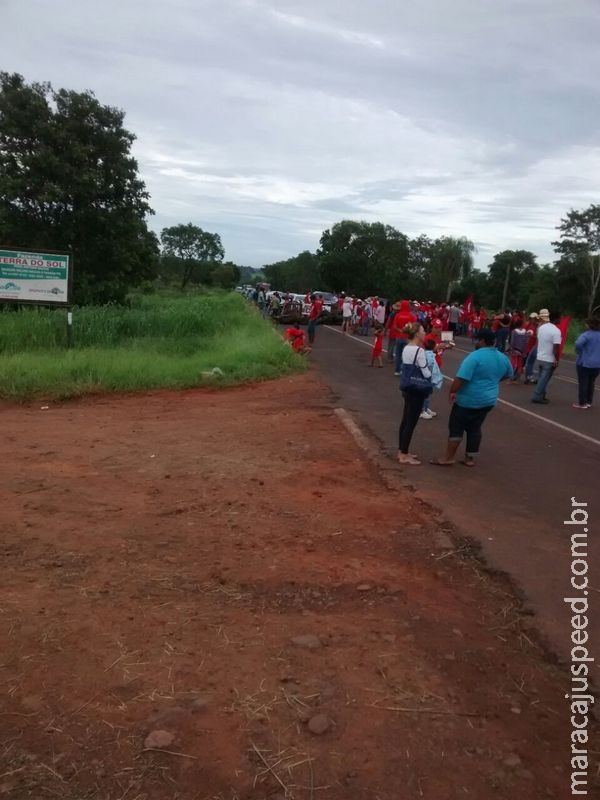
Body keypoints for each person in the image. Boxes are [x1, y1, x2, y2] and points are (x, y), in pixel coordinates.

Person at [430, 328, 513, 467]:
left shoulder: (475, 357)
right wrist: (493, 381)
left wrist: (452, 391)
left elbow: (461, 378)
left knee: (456, 427)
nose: (476, 342)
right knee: (475, 427)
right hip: (488, 400)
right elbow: (508, 373)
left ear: (482, 341)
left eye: (477, 339)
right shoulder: (502, 357)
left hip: (468, 399)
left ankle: (448, 457)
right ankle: (470, 458)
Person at [397, 323, 432, 466]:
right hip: (417, 389)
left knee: (405, 420)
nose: (424, 333)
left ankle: (402, 450)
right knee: (411, 422)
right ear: (417, 333)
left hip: (407, 386)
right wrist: (432, 374)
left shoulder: (407, 348)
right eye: (423, 330)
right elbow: (425, 372)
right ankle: (403, 454)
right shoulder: (419, 351)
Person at [532, 309, 561, 404]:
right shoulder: (556, 331)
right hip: (548, 358)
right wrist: (556, 359)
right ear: (556, 319)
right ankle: (537, 396)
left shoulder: (542, 328)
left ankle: (541, 396)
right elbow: (556, 347)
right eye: (559, 318)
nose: (560, 320)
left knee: (542, 378)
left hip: (540, 356)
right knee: (544, 379)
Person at [573, 317, 600, 409]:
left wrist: (580, 352)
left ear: (589, 325)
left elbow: (578, 344)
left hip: (585, 362)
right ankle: (589, 401)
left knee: (583, 382)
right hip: (597, 363)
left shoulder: (586, 335)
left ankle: (582, 402)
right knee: (591, 382)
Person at [420, 338, 443, 419]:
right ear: (433, 347)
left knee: (428, 395)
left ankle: (426, 408)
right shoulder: (429, 355)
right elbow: (429, 367)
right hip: (428, 379)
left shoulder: (428, 354)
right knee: (426, 395)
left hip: (429, 378)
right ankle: (423, 411)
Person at [393, 300, 417, 375]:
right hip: (407, 338)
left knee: (398, 354)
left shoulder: (398, 315)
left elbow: (394, 326)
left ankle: (397, 370)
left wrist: (400, 330)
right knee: (406, 355)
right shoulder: (411, 316)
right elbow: (414, 327)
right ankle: (403, 370)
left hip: (399, 337)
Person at [524, 312, 539, 383]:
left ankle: (528, 377)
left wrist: (531, 336)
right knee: (526, 362)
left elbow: (538, 337)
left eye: (533, 318)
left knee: (530, 363)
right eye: (531, 318)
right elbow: (524, 333)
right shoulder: (528, 325)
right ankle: (528, 376)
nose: (532, 320)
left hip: (533, 347)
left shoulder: (537, 327)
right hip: (526, 346)